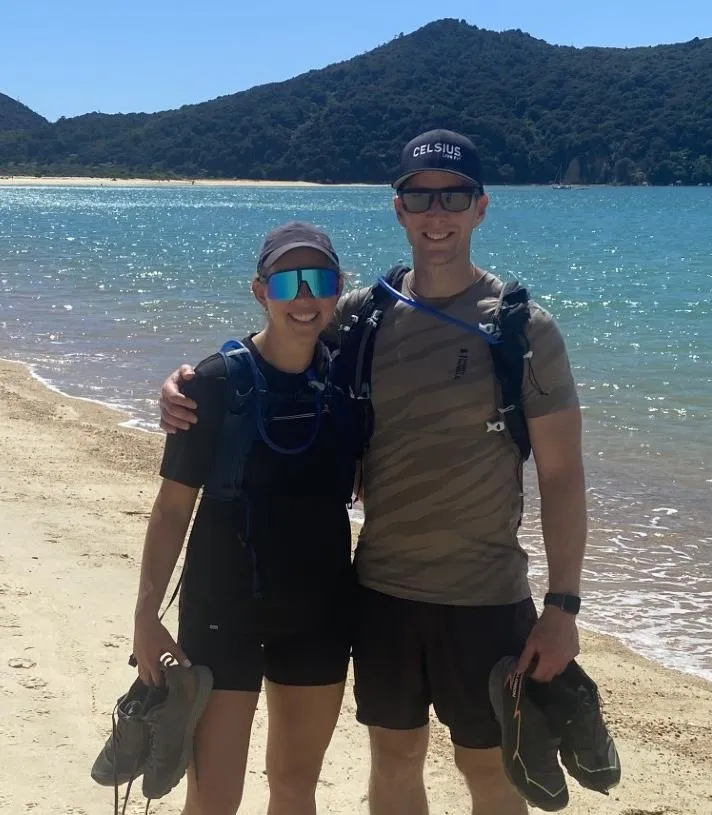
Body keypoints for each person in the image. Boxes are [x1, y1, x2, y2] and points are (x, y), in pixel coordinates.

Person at [159, 130, 586, 815]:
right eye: (420, 196)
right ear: (398, 208)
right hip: (381, 592)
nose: (436, 213)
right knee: (393, 762)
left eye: (453, 197)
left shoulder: (521, 328)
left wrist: (562, 607)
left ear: (480, 207)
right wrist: (186, 385)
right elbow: (280, 344)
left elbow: (562, 475)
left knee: (491, 773)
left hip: (486, 594)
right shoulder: (365, 315)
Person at [134, 222, 357, 815]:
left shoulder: (349, 382)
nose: (304, 297)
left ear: (339, 289)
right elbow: (171, 509)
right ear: (260, 291)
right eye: (287, 282)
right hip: (222, 611)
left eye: (320, 281)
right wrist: (145, 616)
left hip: (319, 613)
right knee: (213, 797)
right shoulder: (211, 385)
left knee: (295, 787)